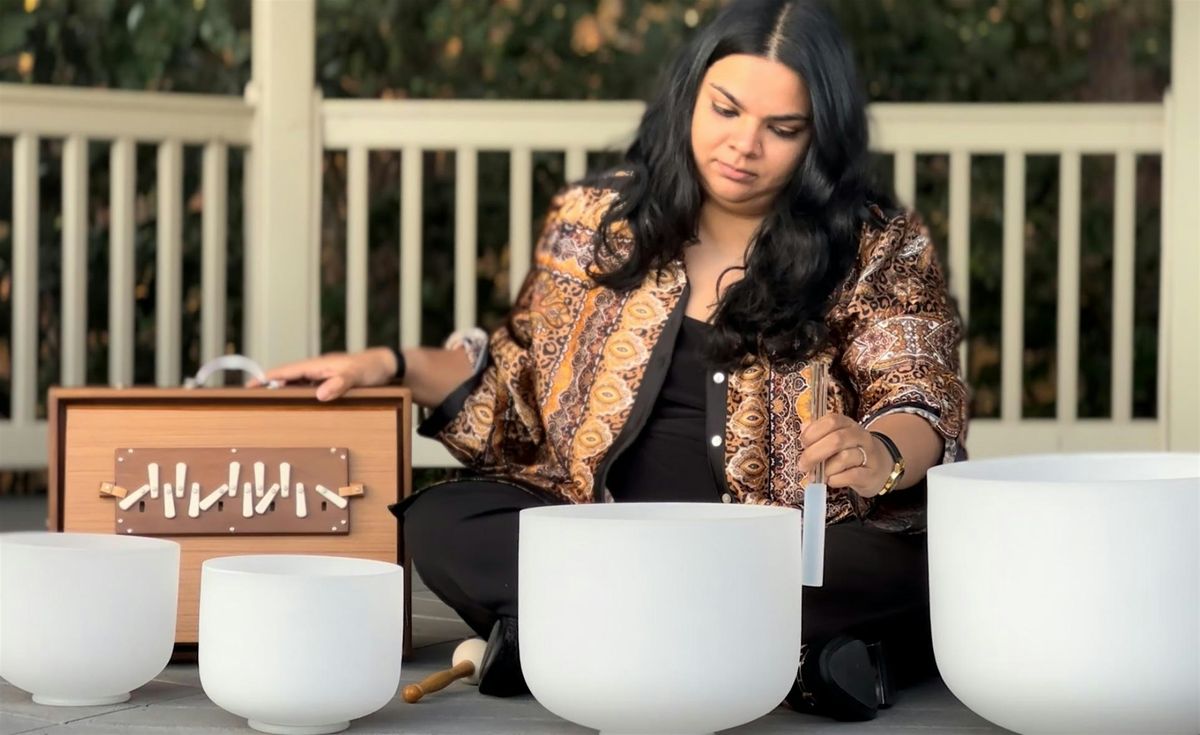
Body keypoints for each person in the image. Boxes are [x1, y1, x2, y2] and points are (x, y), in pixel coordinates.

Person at [260, 0, 968, 722]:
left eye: (781, 129)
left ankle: (568, 637)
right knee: (443, 521)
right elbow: (519, 383)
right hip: (610, 529)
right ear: (689, 94)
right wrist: (394, 364)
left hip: (783, 545)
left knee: (917, 564)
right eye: (725, 110)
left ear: (819, 137)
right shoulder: (595, 221)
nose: (743, 145)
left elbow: (919, 397)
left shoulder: (877, 244)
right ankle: (802, 663)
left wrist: (879, 452)